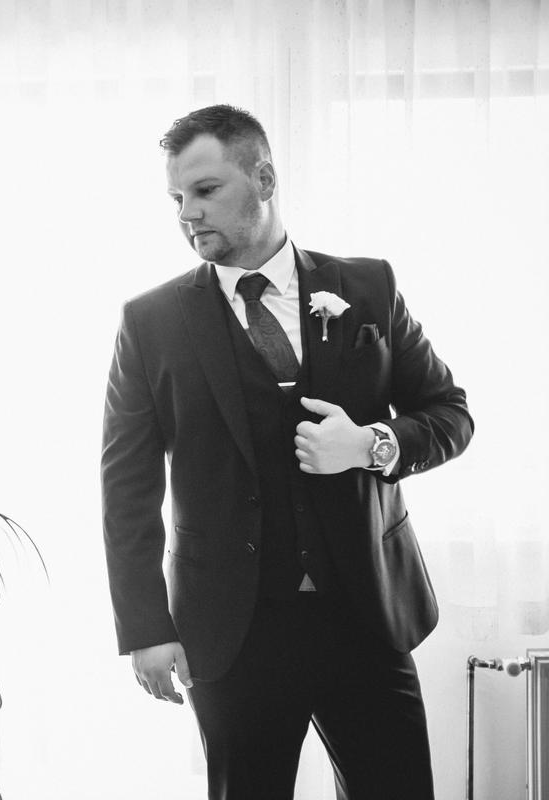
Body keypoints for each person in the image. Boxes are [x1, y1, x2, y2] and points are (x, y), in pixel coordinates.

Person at [100, 104, 473, 799]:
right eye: (177, 198)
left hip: (365, 614)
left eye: (205, 190)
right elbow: (126, 488)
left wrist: (371, 444)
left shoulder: (368, 288)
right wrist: (145, 627)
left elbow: (450, 413)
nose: (187, 213)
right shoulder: (150, 322)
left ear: (264, 179)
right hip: (231, 631)